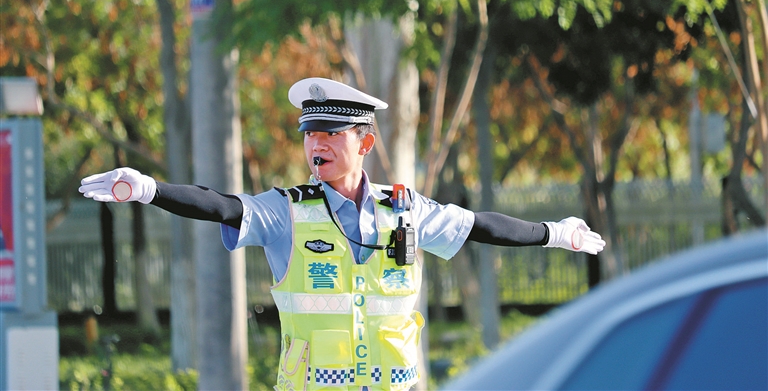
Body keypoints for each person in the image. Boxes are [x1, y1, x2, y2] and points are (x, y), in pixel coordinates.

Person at [79, 77, 605, 391]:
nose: (317, 146)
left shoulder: (406, 211)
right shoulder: (285, 212)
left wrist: (556, 234)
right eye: (310, 135)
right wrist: (147, 189)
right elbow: (220, 205)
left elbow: (479, 227)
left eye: (331, 134)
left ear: (365, 143)